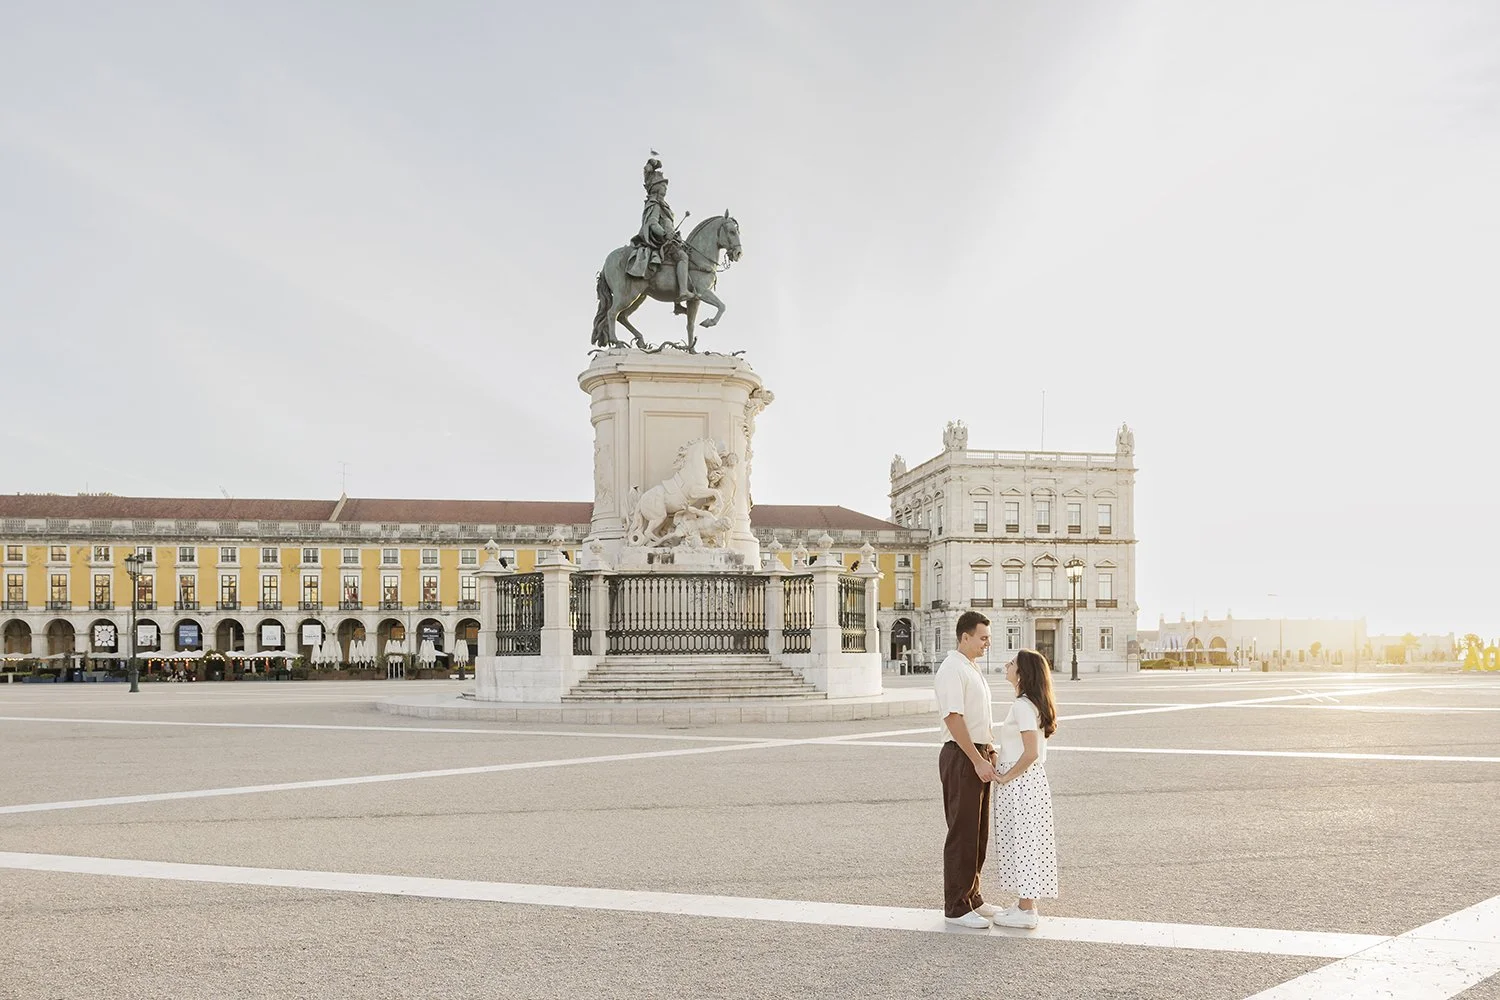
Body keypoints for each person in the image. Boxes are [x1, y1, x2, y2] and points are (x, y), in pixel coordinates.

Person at [934, 610, 998, 928]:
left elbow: (977, 718)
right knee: (962, 832)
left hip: (976, 753)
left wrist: (990, 748)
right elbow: (954, 718)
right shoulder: (952, 669)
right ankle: (956, 906)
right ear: (965, 637)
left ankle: (972, 896)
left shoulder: (971, 668)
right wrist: (976, 758)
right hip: (961, 756)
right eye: (983, 637)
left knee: (977, 831)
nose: (988, 642)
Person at [990, 648, 1060, 929]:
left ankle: (1027, 910)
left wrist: (1006, 778)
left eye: (1012, 663)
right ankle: (1024, 904)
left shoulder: (1022, 705)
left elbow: (1030, 752)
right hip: (1028, 780)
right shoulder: (1029, 703)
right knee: (1027, 841)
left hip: (1020, 782)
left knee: (1023, 842)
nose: (1007, 665)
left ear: (1022, 673)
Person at [629, 157, 695, 308]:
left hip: (670, 239)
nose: (666, 188)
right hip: (660, 241)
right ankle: (683, 291)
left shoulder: (664, 205)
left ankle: (677, 304)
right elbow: (652, 223)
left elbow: (667, 224)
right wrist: (665, 235)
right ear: (657, 188)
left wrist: (673, 235)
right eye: (663, 185)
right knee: (683, 257)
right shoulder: (655, 204)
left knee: (689, 255)